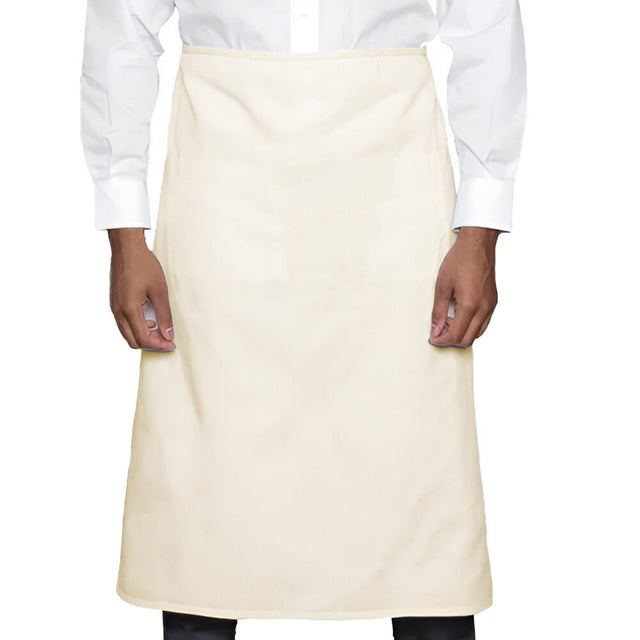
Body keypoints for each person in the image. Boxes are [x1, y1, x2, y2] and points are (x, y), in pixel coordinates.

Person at [79, 2, 527, 639]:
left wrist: (480, 229)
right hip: (223, 207)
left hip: (394, 204)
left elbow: (487, 30)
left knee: (420, 502)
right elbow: (122, 29)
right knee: (207, 519)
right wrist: (124, 231)